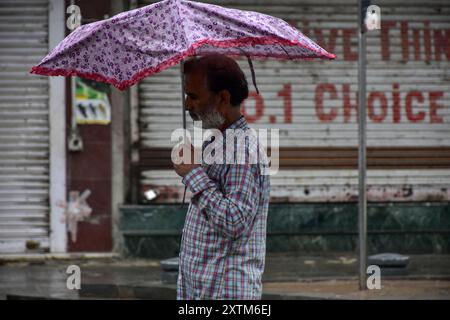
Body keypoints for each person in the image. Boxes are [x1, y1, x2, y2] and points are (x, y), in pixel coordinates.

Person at [173, 54, 270, 300]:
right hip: (204, 289)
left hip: (226, 292)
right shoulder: (217, 142)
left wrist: (193, 174)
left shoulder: (242, 150)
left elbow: (234, 221)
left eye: (194, 96)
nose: (187, 105)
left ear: (223, 98)